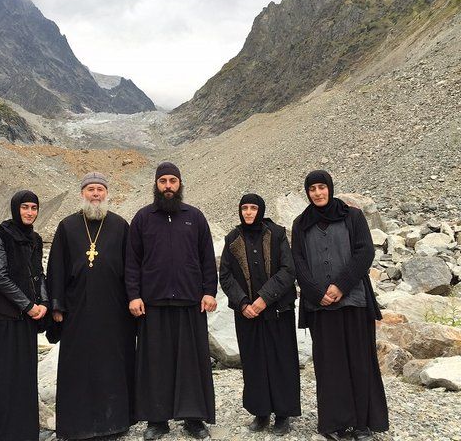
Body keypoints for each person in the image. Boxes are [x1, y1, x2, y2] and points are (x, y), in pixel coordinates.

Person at [292, 170, 388, 441]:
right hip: (320, 305)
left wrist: (340, 285)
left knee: (359, 361)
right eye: (312, 189)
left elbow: (365, 251)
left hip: (354, 301)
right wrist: (315, 292)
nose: (318, 193)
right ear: (307, 193)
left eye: (322, 187)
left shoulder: (352, 216)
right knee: (329, 364)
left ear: (330, 188)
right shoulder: (301, 223)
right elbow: (297, 261)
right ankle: (334, 423)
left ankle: (362, 425)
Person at [126, 162, 217, 440]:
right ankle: (157, 419)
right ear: (156, 184)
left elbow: (207, 259)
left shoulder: (195, 217)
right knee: (155, 364)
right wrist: (134, 295)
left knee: (192, 363)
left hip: (190, 302)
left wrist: (209, 292)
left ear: (180, 184)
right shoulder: (142, 218)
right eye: (163, 181)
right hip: (153, 304)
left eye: (173, 181)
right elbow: (132, 261)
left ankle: (193, 419)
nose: (168, 186)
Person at [47, 172, 135, 440]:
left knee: (112, 364)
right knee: (78, 365)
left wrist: (133, 298)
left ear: (107, 194)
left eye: (99, 190)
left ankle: (115, 423)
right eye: (90, 190)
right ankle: (77, 424)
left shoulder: (120, 226)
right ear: (82, 194)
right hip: (77, 310)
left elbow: (131, 268)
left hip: (114, 309)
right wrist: (57, 305)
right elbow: (56, 268)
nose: (95, 194)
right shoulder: (67, 226)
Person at [219, 193, 300, 436]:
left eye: (253, 208)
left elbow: (288, 270)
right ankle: (260, 411)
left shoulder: (276, 234)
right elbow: (225, 275)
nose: (248, 212)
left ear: (261, 210)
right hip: (247, 314)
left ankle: (283, 414)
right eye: (244, 208)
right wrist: (243, 303)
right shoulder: (232, 238)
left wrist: (263, 299)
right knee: (254, 362)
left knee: (281, 361)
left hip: (277, 309)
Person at [0, 190, 49, 441]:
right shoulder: (1, 236)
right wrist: (28, 305)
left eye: (33, 208)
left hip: (28, 318)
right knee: (3, 372)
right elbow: (0, 276)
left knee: (24, 372)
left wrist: (43, 302)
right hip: (6, 315)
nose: (29, 212)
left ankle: (23, 429)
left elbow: (38, 273)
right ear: (15, 208)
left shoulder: (35, 239)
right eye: (25, 207)